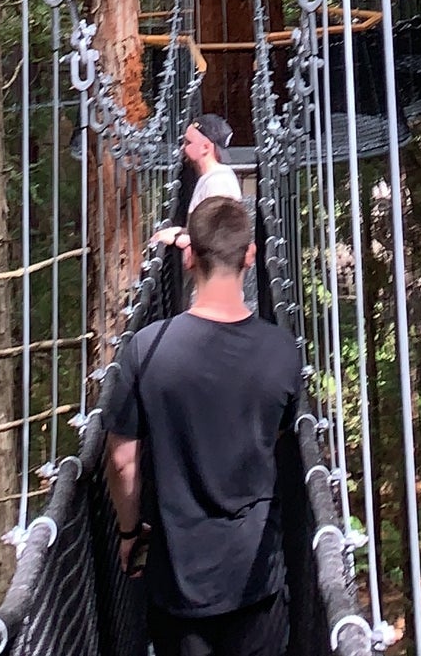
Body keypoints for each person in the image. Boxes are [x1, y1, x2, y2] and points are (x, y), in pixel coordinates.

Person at [103, 194, 302, 656]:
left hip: (177, 581)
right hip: (257, 577)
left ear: (188, 254)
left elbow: (121, 458)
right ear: (251, 255)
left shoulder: (148, 348)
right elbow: (274, 439)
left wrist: (130, 533)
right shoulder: (282, 352)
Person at [152, 114, 243, 251]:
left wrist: (178, 239)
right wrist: (179, 231)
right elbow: (207, 228)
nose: (182, 148)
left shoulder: (218, 182)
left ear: (206, 147)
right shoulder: (211, 178)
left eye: (188, 142)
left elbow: (221, 237)